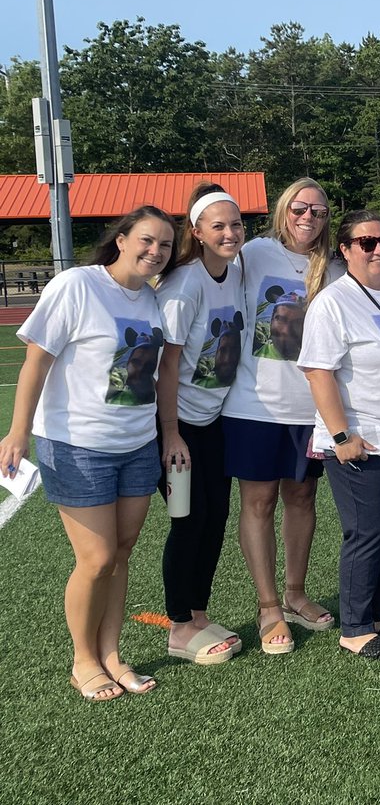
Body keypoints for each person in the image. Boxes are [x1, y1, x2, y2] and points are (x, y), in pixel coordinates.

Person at [0, 205, 175, 700]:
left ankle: (112, 654)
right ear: (121, 239)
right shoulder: (77, 285)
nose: (155, 251)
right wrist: (17, 433)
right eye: (146, 240)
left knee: (121, 553)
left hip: (137, 444)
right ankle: (83, 660)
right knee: (96, 558)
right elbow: (36, 361)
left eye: (164, 245)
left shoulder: (152, 299)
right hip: (77, 445)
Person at [222, 178, 342, 655]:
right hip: (255, 405)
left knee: (302, 498)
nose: (308, 216)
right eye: (299, 207)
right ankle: (268, 604)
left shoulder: (333, 267)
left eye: (318, 209)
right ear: (282, 209)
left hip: (311, 408)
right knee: (258, 503)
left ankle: (295, 593)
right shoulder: (253, 254)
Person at [298, 211, 380, 660]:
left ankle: (376, 615)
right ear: (345, 250)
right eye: (366, 243)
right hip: (358, 438)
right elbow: (318, 371)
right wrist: (341, 433)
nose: (379, 250)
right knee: (366, 531)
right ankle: (353, 627)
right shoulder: (333, 302)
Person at [156, 182, 246, 665]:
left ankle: (197, 612)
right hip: (177, 427)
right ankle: (177, 628)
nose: (230, 232)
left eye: (235, 224)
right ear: (197, 231)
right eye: (219, 226)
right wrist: (171, 434)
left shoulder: (234, 272)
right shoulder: (184, 284)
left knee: (215, 519)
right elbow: (166, 366)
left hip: (212, 424)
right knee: (188, 522)